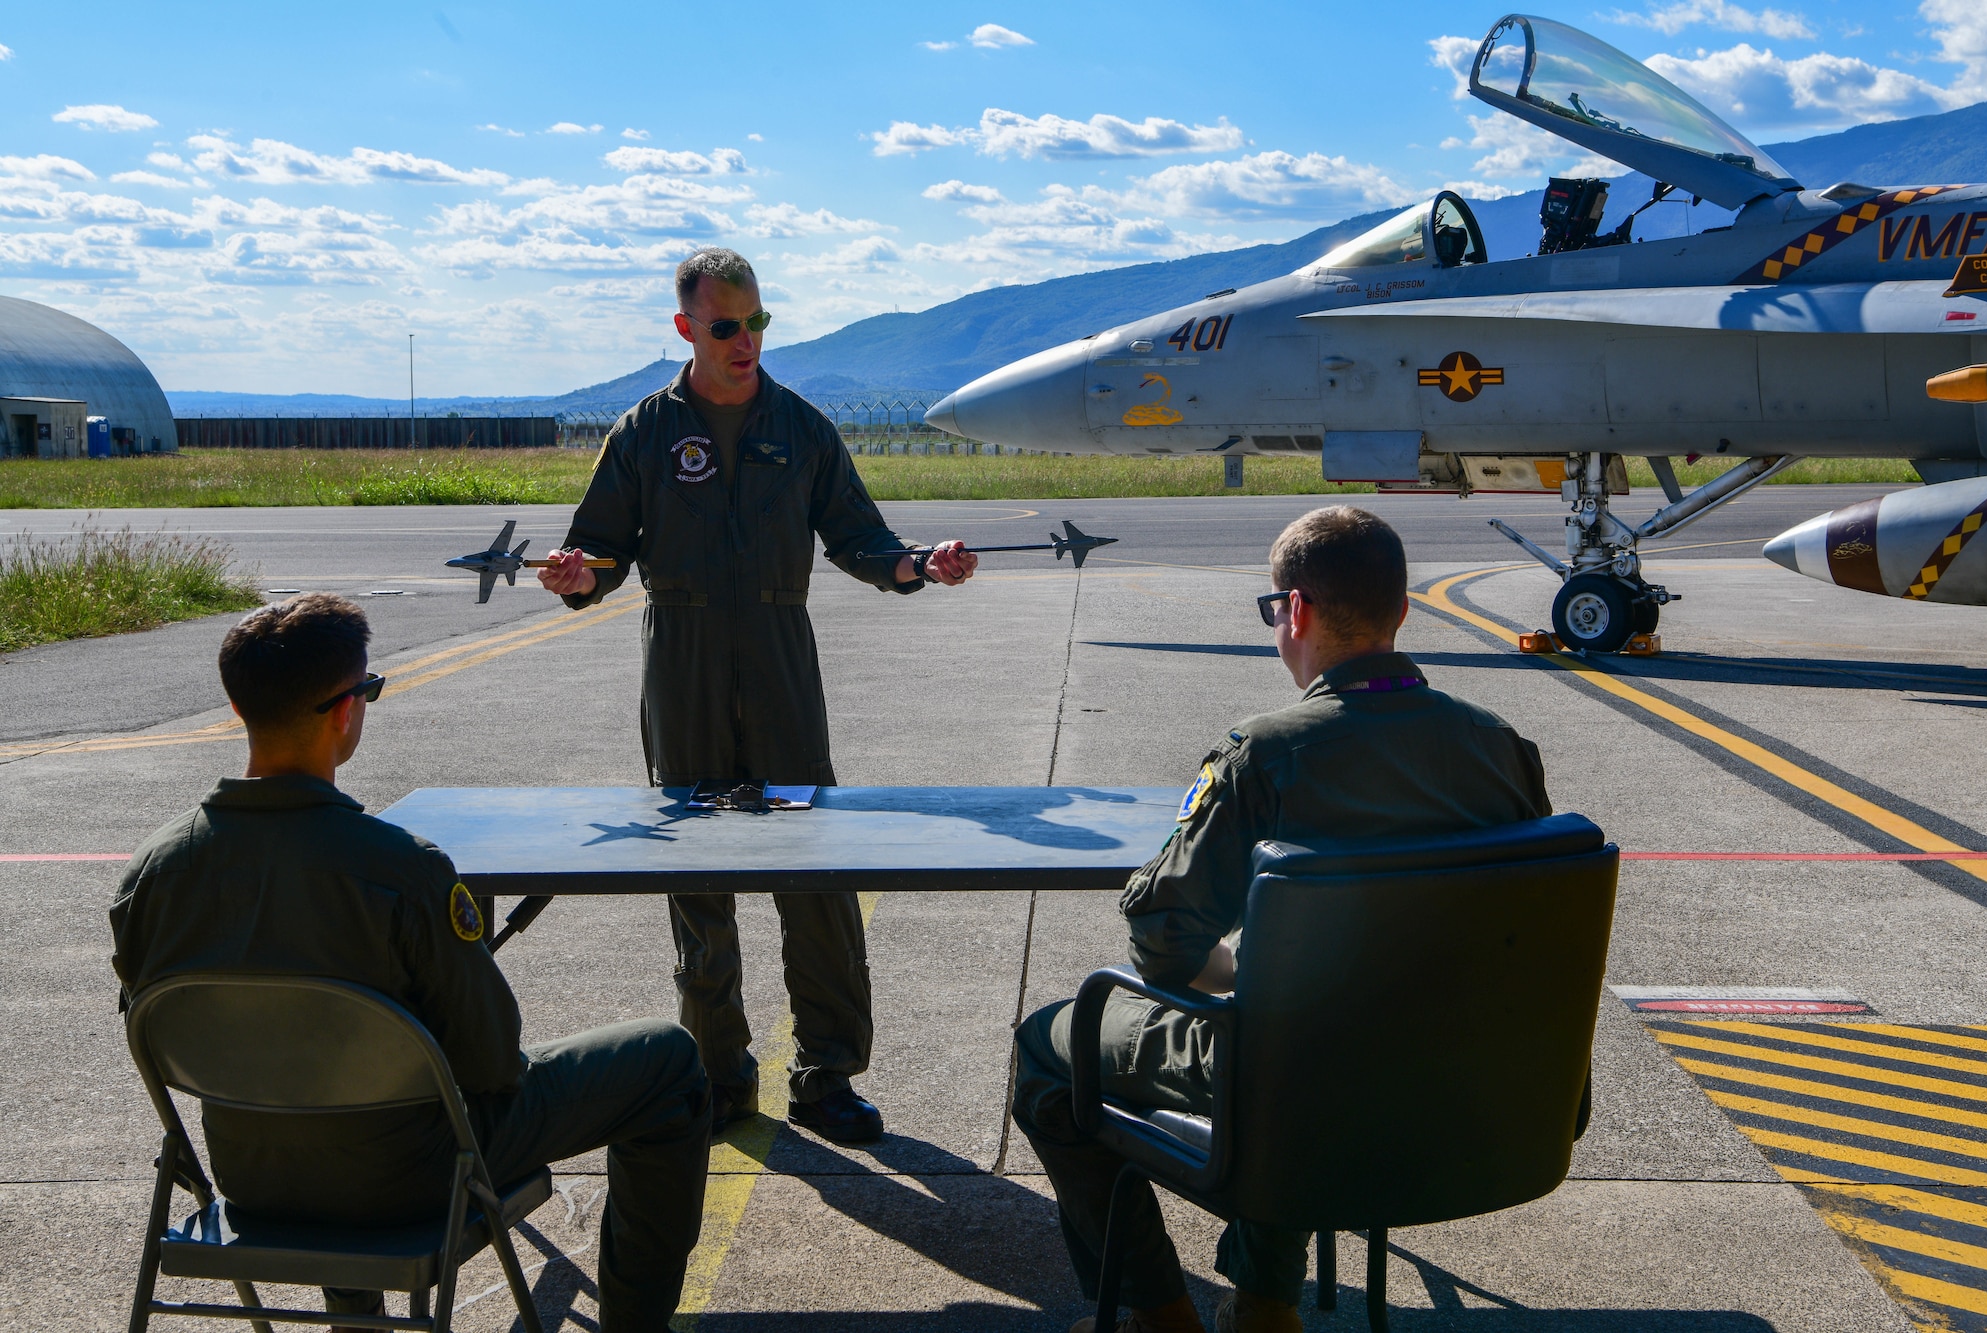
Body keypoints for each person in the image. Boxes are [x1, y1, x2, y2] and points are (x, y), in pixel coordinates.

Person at [1011, 506, 1553, 1333]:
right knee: (1298, 1023)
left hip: (1302, 1083)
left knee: (1051, 1049)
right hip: (1470, 1086)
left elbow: (1162, 939)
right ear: (1401, 610)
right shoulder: (1502, 748)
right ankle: (1264, 1304)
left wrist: (1244, 975)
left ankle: (1162, 1316)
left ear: (1293, 611)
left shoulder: (1264, 754)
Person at [109, 595, 710, 1333]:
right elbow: (491, 1058)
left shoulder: (152, 874)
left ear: (238, 707)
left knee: (319, 1079)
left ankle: (354, 1320)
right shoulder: (402, 870)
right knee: (669, 1060)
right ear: (344, 712)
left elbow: (170, 1032)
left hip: (254, 1179)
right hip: (414, 1182)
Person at [537, 246, 978, 1144]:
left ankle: (826, 1076)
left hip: (781, 664)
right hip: (684, 665)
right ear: (686, 328)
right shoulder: (644, 433)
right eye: (727, 327)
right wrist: (577, 577)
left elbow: (860, 536)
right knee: (696, 877)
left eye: (758, 322)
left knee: (813, 869)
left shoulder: (803, 428)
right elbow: (603, 552)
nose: (747, 341)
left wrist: (917, 565)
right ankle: (715, 1077)